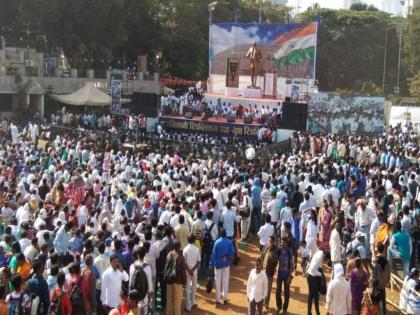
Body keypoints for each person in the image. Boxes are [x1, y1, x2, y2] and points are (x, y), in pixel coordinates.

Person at [210, 229, 235, 305]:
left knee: (217, 282)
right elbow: (232, 252)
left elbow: (213, 254)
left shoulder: (217, 242)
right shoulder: (229, 242)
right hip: (226, 264)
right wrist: (227, 258)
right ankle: (225, 298)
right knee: (225, 281)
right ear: (226, 234)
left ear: (220, 234)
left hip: (218, 264)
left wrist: (211, 263)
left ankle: (217, 300)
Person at [164, 239, 187, 315]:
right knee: (177, 302)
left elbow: (166, 267)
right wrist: (184, 282)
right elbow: (183, 272)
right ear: (179, 246)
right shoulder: (181, 257)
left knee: (169, 300)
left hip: (169, 280)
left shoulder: (169, 254)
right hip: (178, 281)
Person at [371, 242, 391, 315]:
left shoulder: (375, 260)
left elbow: (373, 274)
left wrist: (373, 284)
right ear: (384, 249)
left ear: (378, 250)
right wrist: (387, 281)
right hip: (383, 283)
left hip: (376, 283)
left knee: (375, 301)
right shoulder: (387, 261)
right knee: (383, 300)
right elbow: (389, 272)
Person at [276, 238, 294, 314]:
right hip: (279, 275)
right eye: (281, 243)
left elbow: (292, 266)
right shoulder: (279, 251)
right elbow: (275, 259)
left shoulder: (290, 252)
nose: (281, 244)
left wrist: (290, 276)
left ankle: (285, 308)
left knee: (286, 293)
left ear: (287, 244)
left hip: (287, 276)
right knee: (278, 292)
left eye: (283, 243)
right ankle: (279, 307)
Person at [260, 236, 278, 312]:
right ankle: (261, 304)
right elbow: (262, 256)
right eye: (269, 241)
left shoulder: (276, 250)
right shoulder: (265, 247)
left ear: (274, 242)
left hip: (270, 274)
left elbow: (276, 261)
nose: (269, 242)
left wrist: (275, 269)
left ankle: (266, 305)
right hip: (263, 272)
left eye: (271, 241)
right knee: (262, 289)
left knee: (268, 290)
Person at [183, 235, 200, 312]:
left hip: (187, 271)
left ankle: (188, 306)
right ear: (194, 240)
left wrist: (189, 270)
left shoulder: (185, 249)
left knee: (187, 288)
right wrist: (192, 270)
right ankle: (193, 302)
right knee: (194, 286)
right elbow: (198, 261)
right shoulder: (197, 249)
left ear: (187, 240)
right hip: (194, 271)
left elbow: (184, 262)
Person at [307, 244, 324, 315]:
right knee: (315, 296)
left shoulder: (318, 252)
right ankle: (318, 313)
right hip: (312, 277)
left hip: (310, 275)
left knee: (311, 295)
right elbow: (313, 269)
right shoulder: (320, 256)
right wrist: (321, 275)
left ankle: (309, 312)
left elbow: (315, 265)